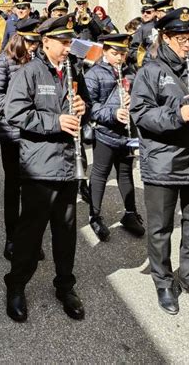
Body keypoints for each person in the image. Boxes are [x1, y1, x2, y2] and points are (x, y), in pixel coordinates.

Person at [3, 15, 90, 323]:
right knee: (30, 233)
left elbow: (84, 109)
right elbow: (14, 112)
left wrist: (83, 109)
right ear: (46, 42)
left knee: (66, 232)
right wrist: (55, 122)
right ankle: (16, 285)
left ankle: (65, 286)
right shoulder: (29, 72)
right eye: (64, 43)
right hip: (39, 166)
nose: (68, 49)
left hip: (67, 164)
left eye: (70, 42)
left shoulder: (73, 70)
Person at [130, 7, 189, 315]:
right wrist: (177, 114)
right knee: (160, 228)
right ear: (165, 38)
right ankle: (164, 283)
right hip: (164, 162)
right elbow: (140, 114)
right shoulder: (150, 71)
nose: (187, 44)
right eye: (181, 38)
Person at [0, 18, 41, 259]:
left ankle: (31, 237)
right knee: (13, 188)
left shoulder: (40, 60)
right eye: (30, 42)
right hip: (12, 133)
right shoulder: (5, 60)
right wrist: (15, 113)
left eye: (37, 42)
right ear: (19, 39)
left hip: (38, 133)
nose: (34, 47)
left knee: (35, 190)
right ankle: (12, 237)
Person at [85, 34, 145, 242]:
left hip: (127, 135)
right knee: (100, 174)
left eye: (123, 53)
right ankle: (94, 215)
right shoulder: (94, 74)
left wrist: (134, 102)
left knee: (126, 173)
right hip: (106, 133)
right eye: (115, 53)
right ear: (104, 52)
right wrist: (113, 113)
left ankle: (130, 213)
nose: (120, 58)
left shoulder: (130, 72)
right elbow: (89, 108)